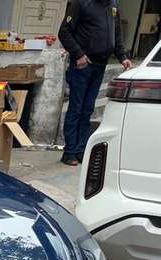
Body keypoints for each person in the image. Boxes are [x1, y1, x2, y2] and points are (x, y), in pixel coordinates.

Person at [58, 0, 133, 166]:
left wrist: (123, 56)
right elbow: (64, 32)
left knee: (87, 109)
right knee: (76, 108)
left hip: (100, 64)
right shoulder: (81, 3)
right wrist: (78, 54)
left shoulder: (113, 5)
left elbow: (117, 33)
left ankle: (81, 150)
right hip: (83, 64)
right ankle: (69, 152)